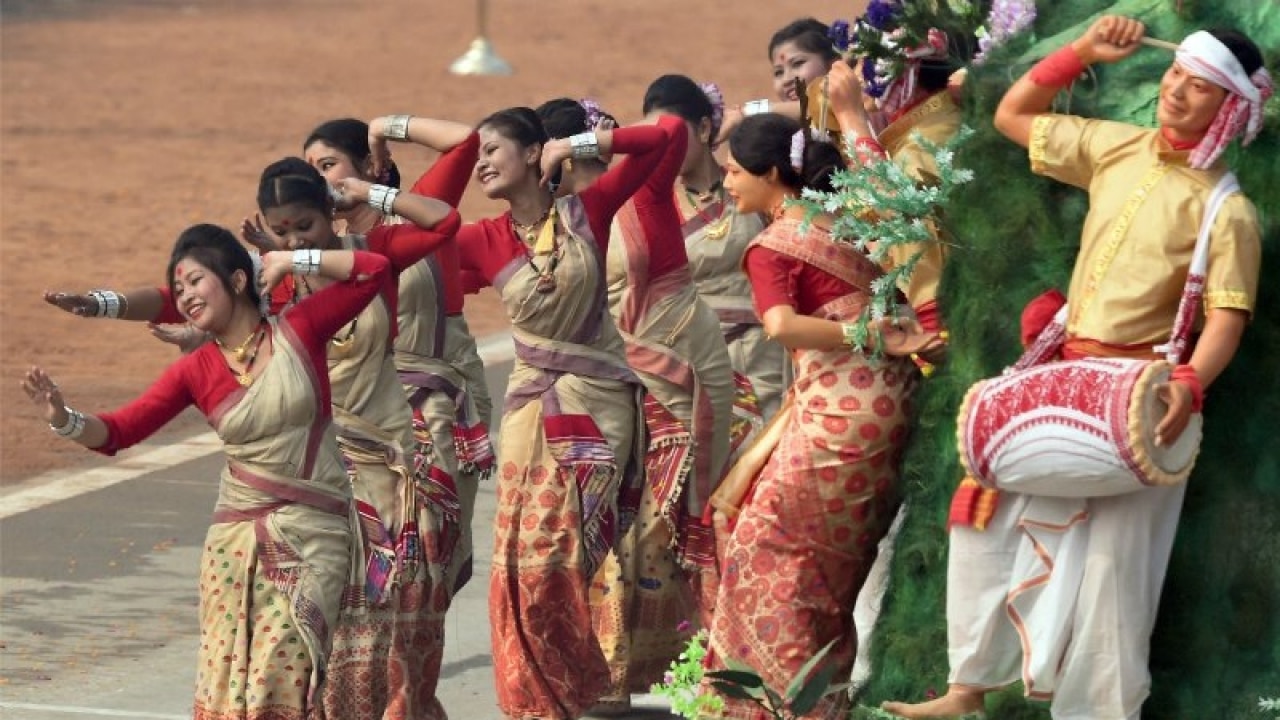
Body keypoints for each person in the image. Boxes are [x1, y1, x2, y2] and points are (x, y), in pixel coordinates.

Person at [883, 17, 1267, 720]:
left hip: (1144, 402)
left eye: (1199, 87)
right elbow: (1012, 114)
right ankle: (968, 687)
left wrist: (1190, 381)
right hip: (1062, 380)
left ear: (1231, 109)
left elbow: (1227, 317)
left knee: (1117, 577)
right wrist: (1081, 52)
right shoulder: (1116, 147)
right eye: (1175, 75)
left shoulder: (1227, 209)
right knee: (984, 513)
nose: (1176, 93)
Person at [46, 160, 465, 720]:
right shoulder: (221, 344)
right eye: (282, 229)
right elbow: (125, 420)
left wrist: (306, 246)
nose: (186, 295)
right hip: (242, 539)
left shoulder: (303, 314)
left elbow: (386, 260)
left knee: (309, 662)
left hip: (337, 510)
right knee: (241, 682)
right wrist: (68, 402)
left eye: (196, 281)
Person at [25, 225, 387, 719]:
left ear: (238, 279)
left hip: (313, 537)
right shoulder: (196, 370)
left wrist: (290, 260)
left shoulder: (299, 329)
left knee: (282, 680)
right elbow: (119, 431)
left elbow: (375, 271)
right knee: (229, 689)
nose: (186, 296)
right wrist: (63, 419)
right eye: (178, 290)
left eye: (196, 281)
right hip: (232, 549)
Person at [703, 113, 941, 719]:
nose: (726, 180)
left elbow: (780, 326)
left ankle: (775, 708)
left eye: (734, 170)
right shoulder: (851, 220)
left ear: (773, 175)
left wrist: (867, 334)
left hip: (839, 414)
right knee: (831, 572)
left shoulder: (772, 246)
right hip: (891, 405)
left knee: (770, 555)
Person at [441, 106, 670, 719]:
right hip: (528, 417)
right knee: (526, 570)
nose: (481, 162)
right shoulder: (483, 238)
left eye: (493, 149)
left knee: (567, 562)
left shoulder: (586, 213)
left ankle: (564, 692)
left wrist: (572, 144)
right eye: (478, 154)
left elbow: (658, 140)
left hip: (598, 413)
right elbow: (409, 238)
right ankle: (545, 704)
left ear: (534, 153)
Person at [537, 95, 735, 712]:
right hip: (612, 386)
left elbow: (672, 129)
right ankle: (613, 674)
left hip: (685, 377)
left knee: (682, 525)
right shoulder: (559, 224)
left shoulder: (642, 191)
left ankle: (714, 672)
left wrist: (577, 145)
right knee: (615, 529)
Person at [304, 116, 495, 596]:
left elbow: (464, 142)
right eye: (314, 172)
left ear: (366, 165)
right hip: (365, 420)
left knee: (427, 562)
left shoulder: (416, 218)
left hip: (438, 411)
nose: (322, 181)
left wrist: (383, 128)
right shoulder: (328, 253)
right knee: (365, 561)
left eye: (329, 165)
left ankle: (411, 657)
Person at [768, 17, 841, 102]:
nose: (786, 80)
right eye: (778, 72)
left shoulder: (853, 106)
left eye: (797, 63)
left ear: (833, 66)